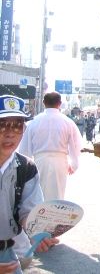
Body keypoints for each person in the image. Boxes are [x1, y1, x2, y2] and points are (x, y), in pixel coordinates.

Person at [0, 95, 58, 273]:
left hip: (11, 252)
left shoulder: (26, 167)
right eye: (2, 125)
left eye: (17, 125)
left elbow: (29, 211)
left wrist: (37, 231)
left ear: (24, 129)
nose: (10, 133)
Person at [18, 92, 83, 201]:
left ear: (43, 102)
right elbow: (75, 145)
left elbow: (25, 148)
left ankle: (39, 212)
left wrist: (25, 167)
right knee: (58, 194)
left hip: (39, 161)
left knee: (37, 194)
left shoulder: (34, 122)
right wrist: (74, 164)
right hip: (60, 162)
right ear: (60, 103)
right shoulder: (68, 122)